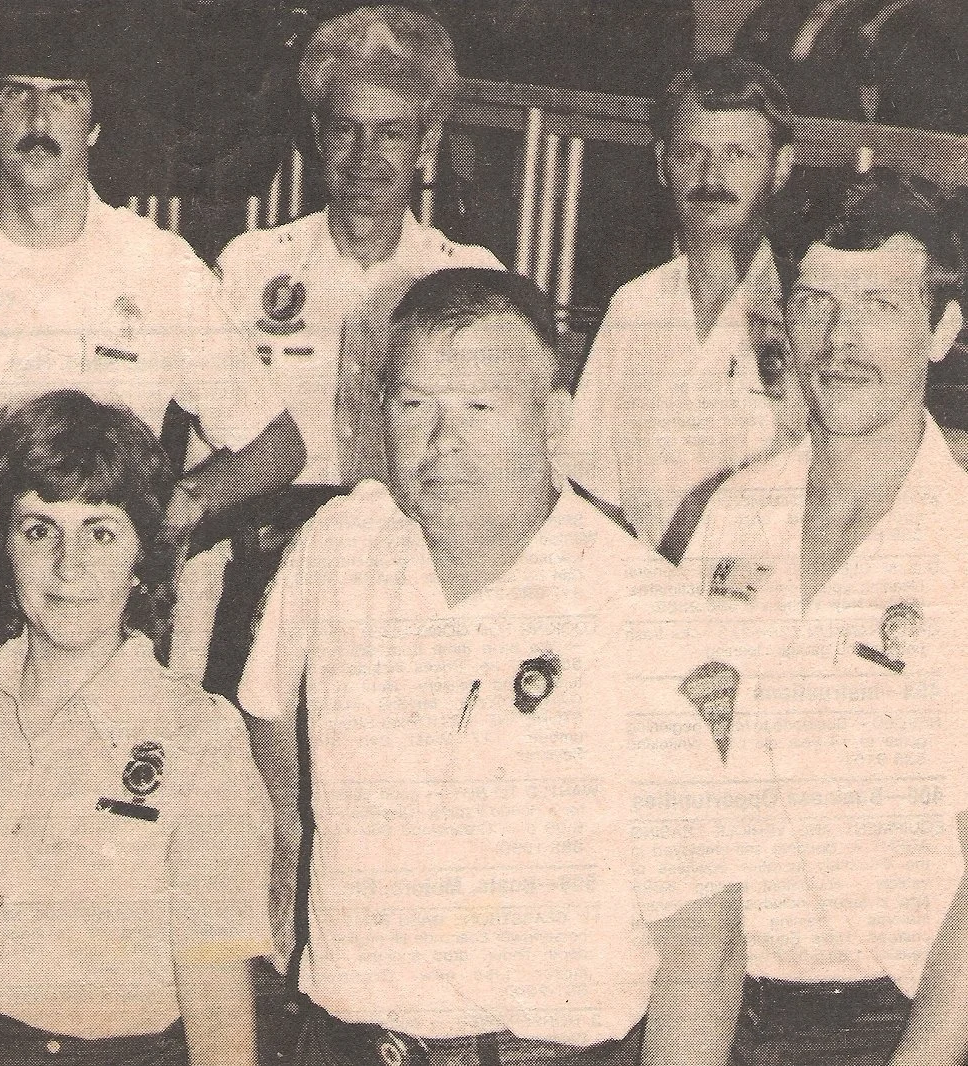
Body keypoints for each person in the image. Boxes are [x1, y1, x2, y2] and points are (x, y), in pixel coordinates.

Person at [241, 268, 745, 1066]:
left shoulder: (643, 614)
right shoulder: (338, 549)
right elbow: (267, 710)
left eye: (479, 408)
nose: (442, 442)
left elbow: (702, 948)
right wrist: (294, 842)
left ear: (553, 421)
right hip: (340, 1044)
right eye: (414, 406)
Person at [0, 390, 273, 1066]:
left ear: (142, 558)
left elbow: (217, 998)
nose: (69, 566)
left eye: (100, 532)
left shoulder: (199, 738)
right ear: (3, 548)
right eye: (39, 530)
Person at [0, 11, 304, 675]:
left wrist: (181, 504)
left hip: (84, 605)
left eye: (65, 96)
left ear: (96, 125)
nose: (38, 116)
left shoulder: (159, 269)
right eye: (17, 93)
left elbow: (277, 444)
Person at [683, 171, 968, 1066]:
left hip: (884, 1027)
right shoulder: (730, 516)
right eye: (816, 303)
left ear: (942, 330)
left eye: (879, 305)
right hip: (706, 1002)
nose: (839, 342)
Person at [218, 4, 503, 494]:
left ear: (426, 143)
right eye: (346, 130)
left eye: (390, 133)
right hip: (271, 525)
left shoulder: (472, 279)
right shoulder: (251, 265)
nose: (364, 155)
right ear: (318, 136)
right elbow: (212, 446)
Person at [562, 56, 808, 558]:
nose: (711, 176)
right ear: (662, 164)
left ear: (781, 167)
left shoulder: (807, 312)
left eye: (738, 154)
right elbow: (593, 488)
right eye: (692, 152)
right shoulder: (634, 307)